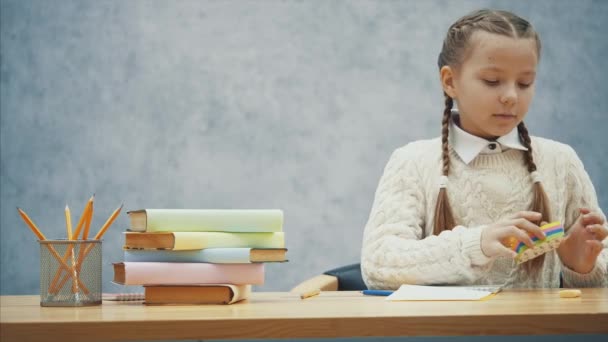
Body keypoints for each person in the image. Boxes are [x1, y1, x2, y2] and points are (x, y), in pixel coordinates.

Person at [360, 9, 607, 289]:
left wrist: (581, 266)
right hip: (443, 334)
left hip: (538, 334)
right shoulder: (412, 162)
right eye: (492, 81)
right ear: (450, 81)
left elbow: (599, 278)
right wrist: (478, 243)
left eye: (525, 83)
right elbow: (378, 264)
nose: (511, 96)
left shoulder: (560, 162)